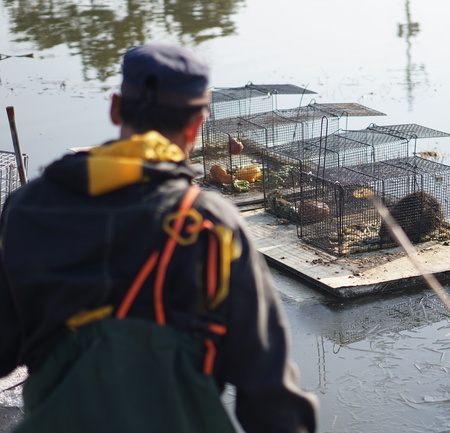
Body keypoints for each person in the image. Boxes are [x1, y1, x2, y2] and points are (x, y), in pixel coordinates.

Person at [0, 43, 318, 433]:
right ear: (198, 125)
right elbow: (269, 394)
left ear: (116, 108)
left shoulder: (26, 208)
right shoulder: (211, 225)